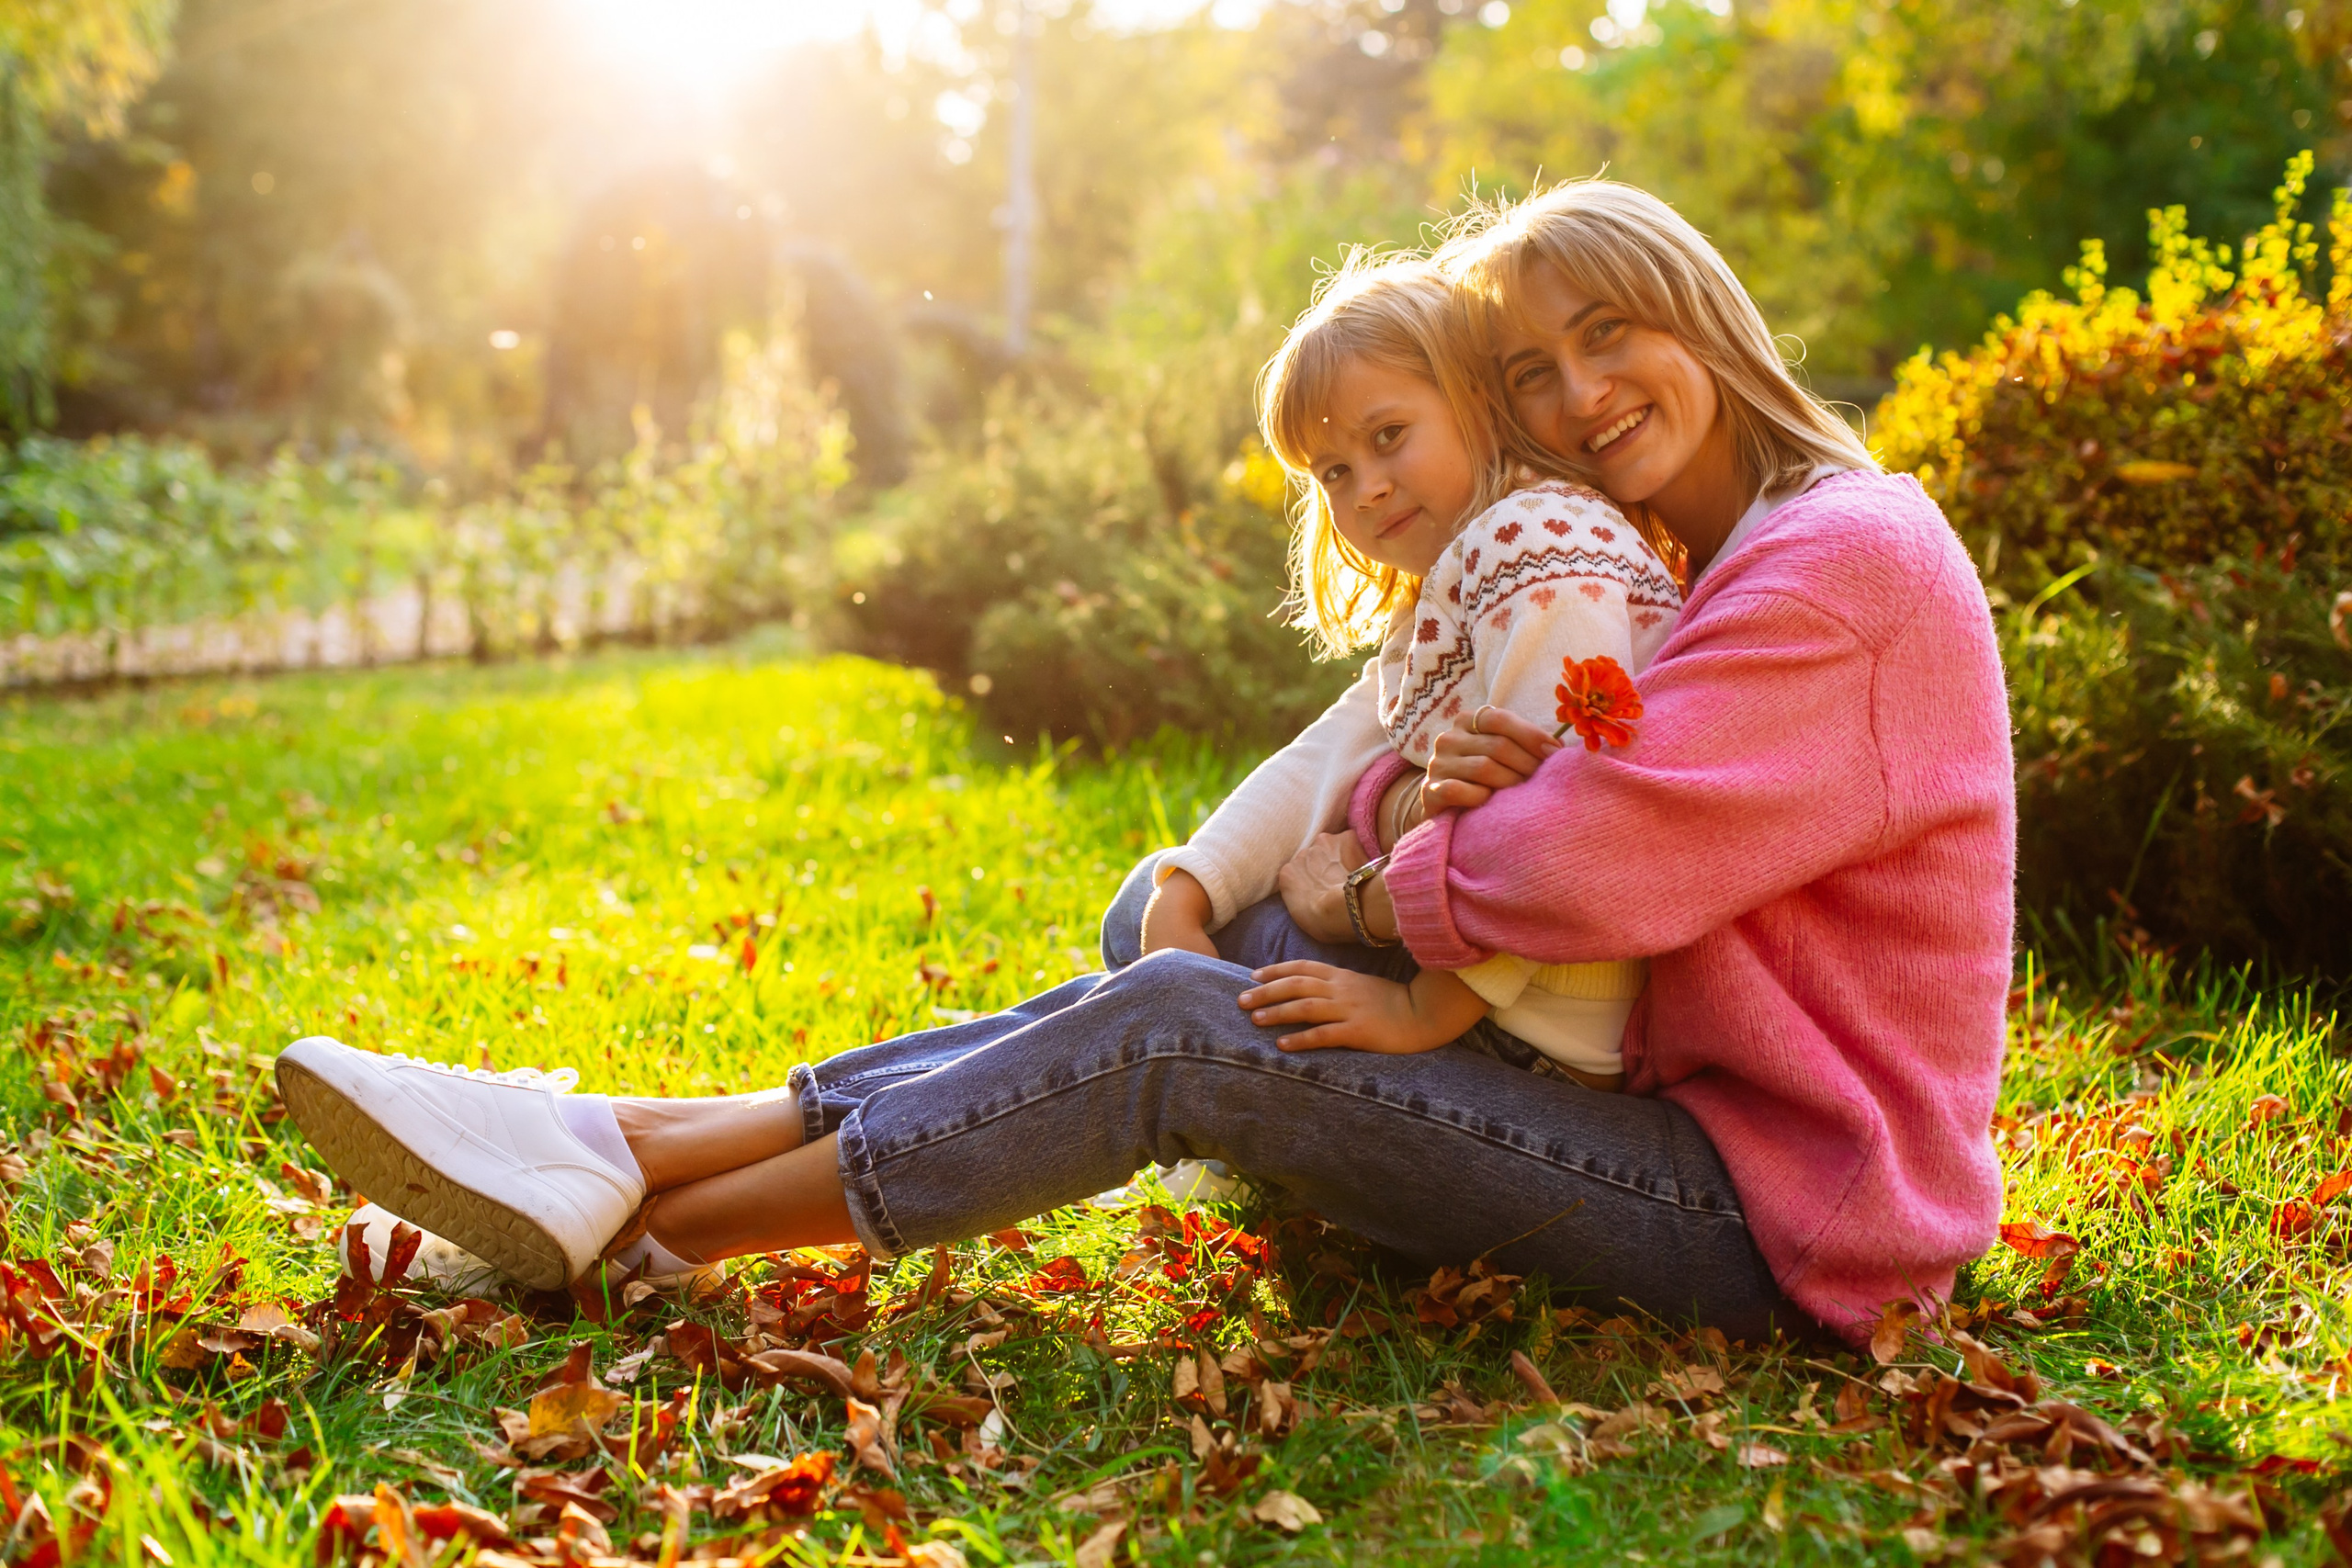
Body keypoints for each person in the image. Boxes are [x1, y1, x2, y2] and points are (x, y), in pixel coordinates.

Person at [275, 177, 2011, 1347]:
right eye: (1540, 370)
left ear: (1703, 314)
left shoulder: (1841, 565)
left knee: (1184, 1024)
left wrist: (1361, 875)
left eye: (1613, 337)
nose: (1583, 395)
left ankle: (643, 1205)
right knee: (1161, 931)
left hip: (1774, 1212)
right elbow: (1414, 757)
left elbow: (1579, 866)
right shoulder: (1688, 557)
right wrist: (1267, 861)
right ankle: (615, 1148)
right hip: (1614, 1083)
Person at [1141, 251, 1681, 1084]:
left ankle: (1211, 1103)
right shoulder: (1470, 565)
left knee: (1170, 950)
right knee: (1163, 903)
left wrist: (1419, 1009)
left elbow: (1555, 828)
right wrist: (1190, 889)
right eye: (1334, 473)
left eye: (1389, 437)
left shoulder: (1534, 546)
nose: (1367, 490)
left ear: (1474, 399)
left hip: (1541, 1024)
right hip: (1508, 996)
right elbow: (1331, 749)